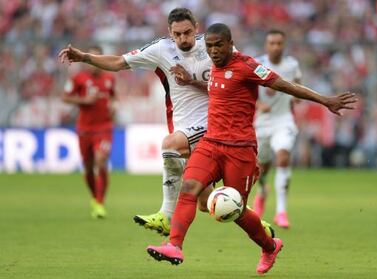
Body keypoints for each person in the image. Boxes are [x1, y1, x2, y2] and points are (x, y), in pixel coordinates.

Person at [146, 23, 356, 274]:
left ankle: (270, 246)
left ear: (230, 43)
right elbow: (217, 90)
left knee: (236, 210)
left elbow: (285, 85)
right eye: (209, 46)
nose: (213, 51)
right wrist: (192, 81)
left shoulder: (247, 66)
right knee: (189, 187)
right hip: (211, 143)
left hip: (240, 149)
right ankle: (174, 245)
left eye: (218, 45)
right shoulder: (214, 67)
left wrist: (325, 100)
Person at [58, 8, 274, 236]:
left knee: (170, 145)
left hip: (214, 124)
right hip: (183, 124)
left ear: (196, 28)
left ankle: (165, 216)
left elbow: (238, 81)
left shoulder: (215, 46)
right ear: (170, 33)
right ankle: (253, 221)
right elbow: (119, 62)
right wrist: (84, 57)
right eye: (178, 34)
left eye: (188, 32)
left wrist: (193, 82)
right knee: (205, 203)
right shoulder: (160, 50)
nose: (183, 38)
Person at [252, 29, 301, 228]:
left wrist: (298, 96)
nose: (275, 47)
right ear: (266, 45)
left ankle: (281, 211)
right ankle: (263, 191)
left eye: (279, 43)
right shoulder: (257, 64)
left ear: (284, 45)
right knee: (261, 168)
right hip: (262, 122)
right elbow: (246, 90)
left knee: (283, 157)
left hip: (283, 120)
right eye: (272, 43)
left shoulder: (291, 65)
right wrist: (257, 105)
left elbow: (298, 84)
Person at [61, 45, 116, 219]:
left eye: (98, 58)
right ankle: (94, 197)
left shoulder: (109, 78)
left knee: (101, 162)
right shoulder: (78, 78)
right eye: (92, 59)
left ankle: (100, 202)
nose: (95, 63)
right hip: (85, 129)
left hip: (104, 127)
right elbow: (65, 96)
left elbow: (113, 96)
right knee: (88, 167)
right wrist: (84, 100)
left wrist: (114, 105)